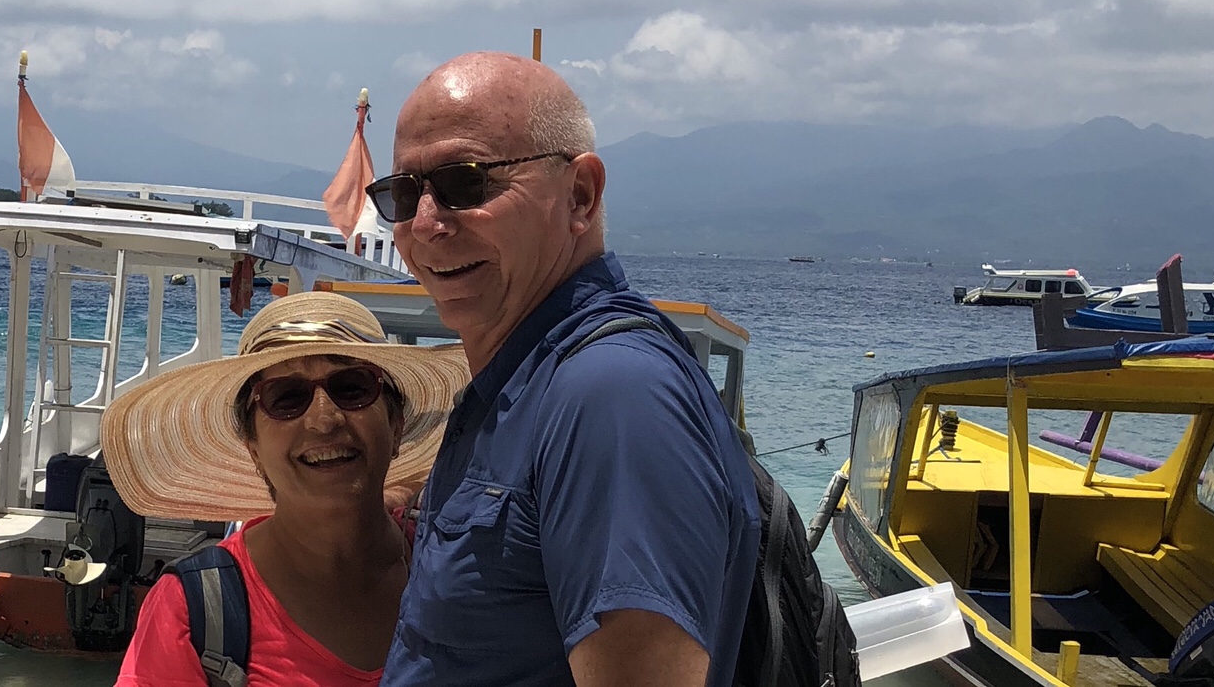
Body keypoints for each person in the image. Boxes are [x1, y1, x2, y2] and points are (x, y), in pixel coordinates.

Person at [375, 52, 762, 687]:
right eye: (403, 193)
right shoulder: (523, 385)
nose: (424, 225)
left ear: (580, 195)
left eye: (465, 183)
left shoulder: (611, 394)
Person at [105, 292, 469, 686]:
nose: (324, 419)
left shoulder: (459, 566)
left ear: (396, 426)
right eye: (287, 398)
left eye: (352, 387)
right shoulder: (193, 612)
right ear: (254, 449)